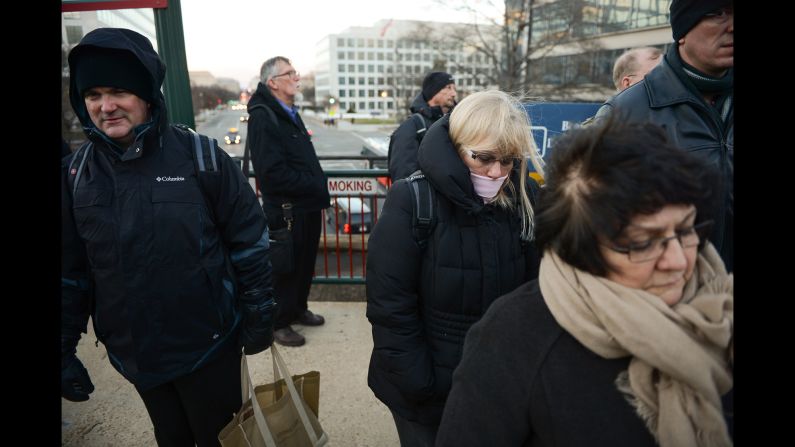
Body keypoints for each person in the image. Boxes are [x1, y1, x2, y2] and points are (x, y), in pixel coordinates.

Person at [436, 117, 733, 446]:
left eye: (686, 229)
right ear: (582, 247)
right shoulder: (513, 338)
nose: (679, 261)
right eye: (642, 243)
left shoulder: (722, 307)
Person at [61, 28, 276, 445]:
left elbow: (249, 242)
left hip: (209, 347)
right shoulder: (73, 176)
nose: (106, 107)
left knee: (223, 438)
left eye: (119, 91)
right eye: (93, 95)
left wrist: (260, 313)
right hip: (136, 355)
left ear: (146, 95)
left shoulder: (203, 157)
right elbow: (70, 272)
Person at [367, 89, 545, 446]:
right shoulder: (411, 199)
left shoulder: (524, 197)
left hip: (496, 385)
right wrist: (421, 385)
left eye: (508, 160)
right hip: (425, 392)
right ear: (458, 147)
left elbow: (535, 291)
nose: (496, 172)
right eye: (484, 158)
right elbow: (390, 305)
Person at [595, 0, 733, 271]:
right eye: (717, 13)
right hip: (668, 297)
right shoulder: (624, 115)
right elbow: (594, 229)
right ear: (683, 28)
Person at [247, 56, 330, 347]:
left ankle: (298, 309)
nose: (297, 77)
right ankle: (279, 323)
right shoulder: (263, 116)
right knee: (284, 269)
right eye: (290, 73)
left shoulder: (288, 112)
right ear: (273, 83)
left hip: (304, 207)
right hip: (286, 211)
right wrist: (314, 184)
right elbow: (271, 174)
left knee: (305, 263)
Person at [387, 71, 457, 182]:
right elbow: (403, 175)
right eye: (448, 88)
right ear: (433, 92)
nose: (453, 93)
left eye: (454, 88)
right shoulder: (412, 126)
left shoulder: (457, 122)